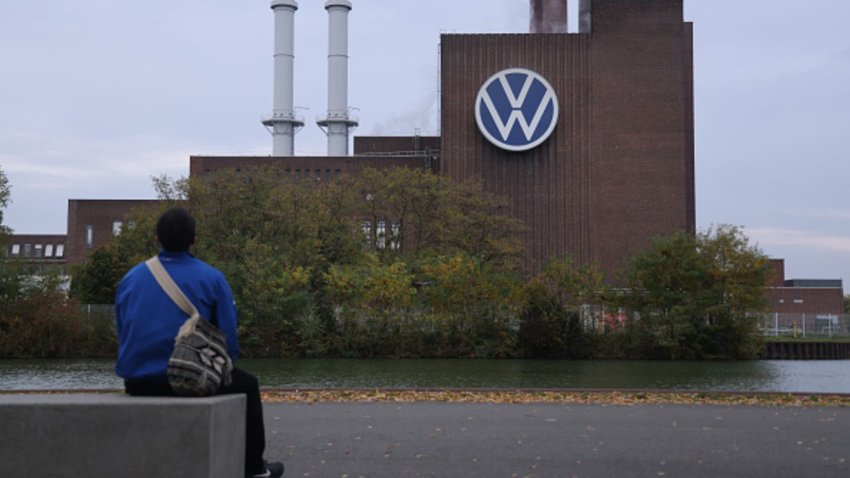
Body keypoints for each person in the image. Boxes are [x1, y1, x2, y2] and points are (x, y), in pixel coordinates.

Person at [114, 207, 284, 478]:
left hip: (137, 381)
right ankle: (254, 469)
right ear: (194, 240)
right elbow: (228, 340)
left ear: (157, 238)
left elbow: (123, 331)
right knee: (248, 385)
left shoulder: (130, 279)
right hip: (190, 379)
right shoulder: (212, 278)